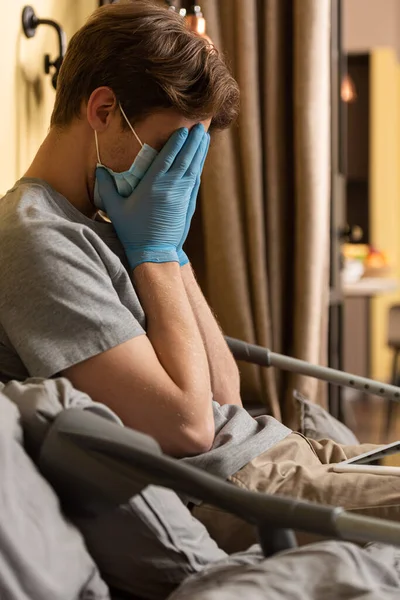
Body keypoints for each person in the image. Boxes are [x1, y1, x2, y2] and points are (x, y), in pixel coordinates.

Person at [0, 0, 399, 566]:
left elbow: (225, 396)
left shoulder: (115, 222)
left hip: (275, 451)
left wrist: (171, 251)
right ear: (104, 110)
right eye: (171, 149)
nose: (177, 175)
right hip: (244, 490)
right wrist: (157, 254)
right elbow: (189, 429)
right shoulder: (34, 241)